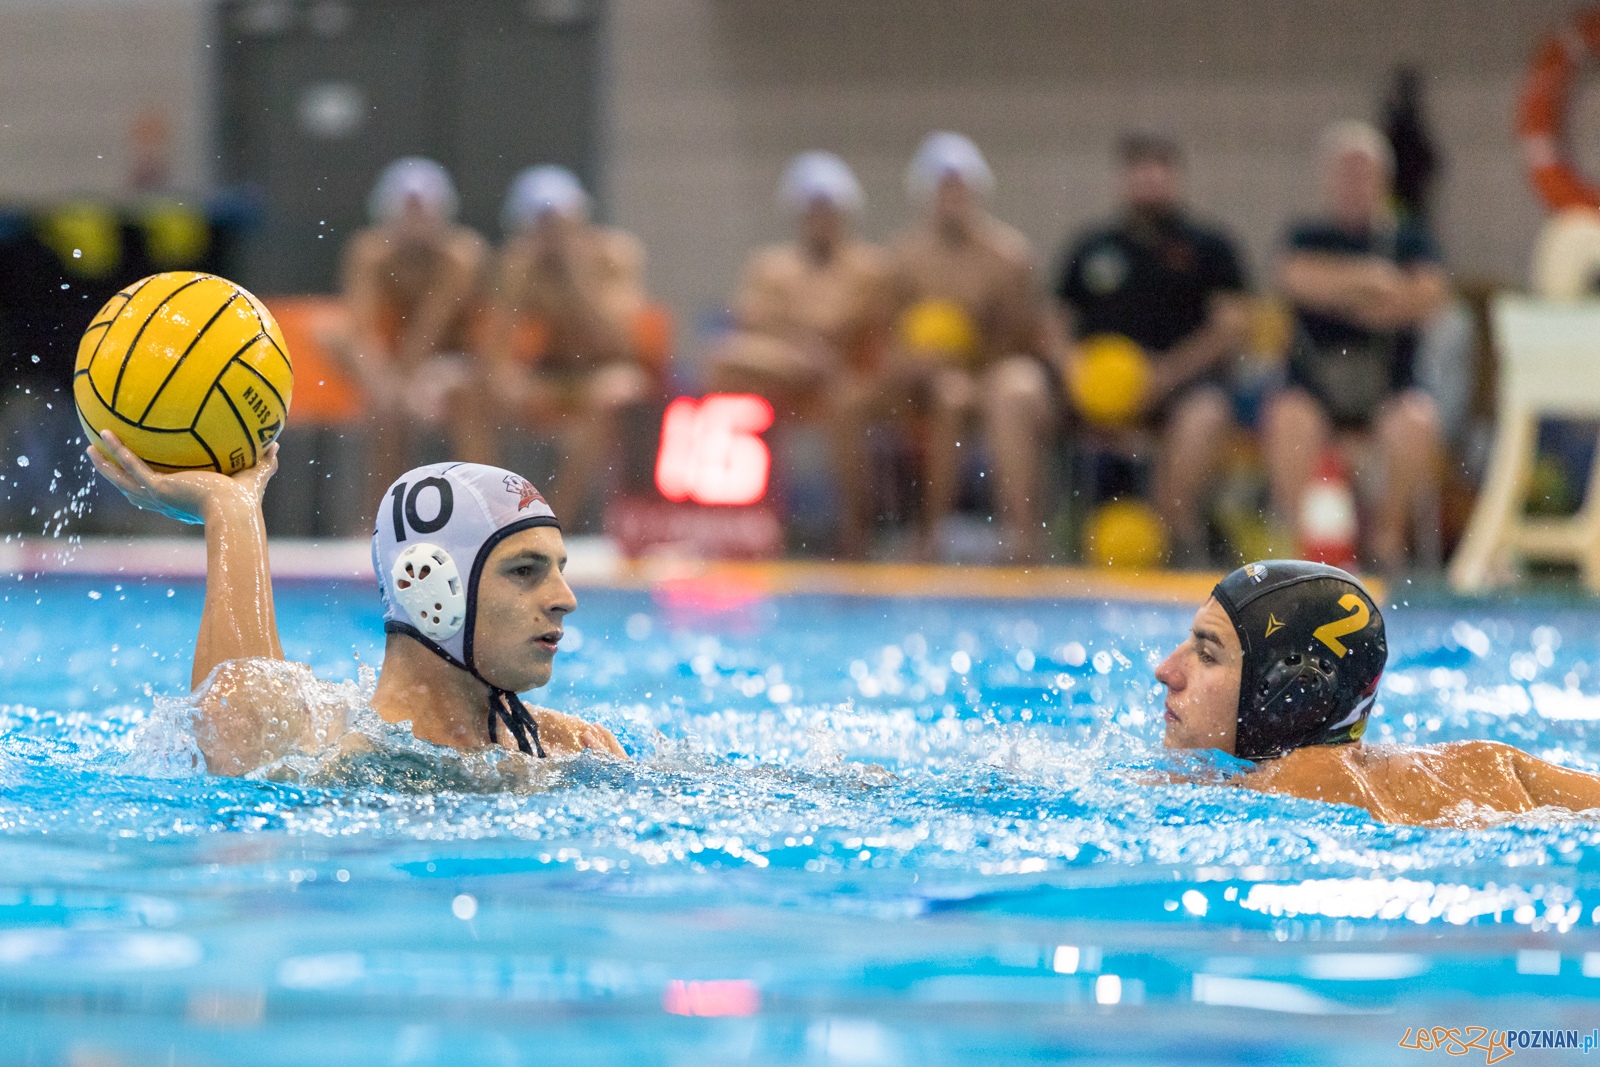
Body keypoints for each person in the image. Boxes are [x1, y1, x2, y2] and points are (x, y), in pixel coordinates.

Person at [85, 430, 623, 778]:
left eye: (560, 569)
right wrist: (230, 506)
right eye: (525, 571)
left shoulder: (576, 748)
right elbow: (235, 717)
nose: (564, 600)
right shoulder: (333, 747)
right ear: (429, 585)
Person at [1156, 558, 1600, 825]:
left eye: (1208, 655)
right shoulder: (1488, 763)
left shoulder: (1299, 785)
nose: (1166, 671)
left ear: (1291, 694)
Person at [1054, 134, 1251, 565]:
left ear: (1175, 179)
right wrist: (1075, 369)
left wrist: (1165, 374)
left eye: (1159, 171)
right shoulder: (1091, 246)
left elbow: (1231, 326)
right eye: (1139, 171)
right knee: (1020, 392)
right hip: (1095, 396)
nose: (1149, 181)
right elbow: (1053, 323)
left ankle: (1168, 538)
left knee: (1206, 415)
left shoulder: (1209, 247)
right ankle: (1024, 542)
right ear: (1123, 181)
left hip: (1181, 390)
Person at [1263, 121, 1449, 573]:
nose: (1353, 184)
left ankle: (1386, 540)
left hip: (1388, 390)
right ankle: (1301, 543)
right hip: (1315, 391)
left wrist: (1340, 292)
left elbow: (1426, 298)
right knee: (1288, 416)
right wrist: (1372, 281)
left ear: (1383, 182)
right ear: (1328, 181)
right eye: (1344, 174)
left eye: (1363, 174)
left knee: (1416, 420)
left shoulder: (1411, 239)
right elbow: (1296, 279)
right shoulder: (1307, 235)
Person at [876, 132, 1056, 562]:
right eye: (943, 188)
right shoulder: (902, 261)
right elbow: (884, 343)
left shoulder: (1008, 256)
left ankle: (1022, 536)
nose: (951, 198)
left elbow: (1032, 337)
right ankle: (930, 532)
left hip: (993, 369)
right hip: (928, 383)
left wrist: (990, 330)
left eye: (959, 188)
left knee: (1018, 388)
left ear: (976, 192)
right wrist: (917, 363)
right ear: (925, 194)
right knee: (950, 393)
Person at [707, 152, 891, 556]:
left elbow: (862, 332)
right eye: (812, 210)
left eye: (828, 210)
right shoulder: (770, 267)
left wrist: (796, 329)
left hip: (846, 385)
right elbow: (749, 329)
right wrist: (805, 347)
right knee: (723, 363)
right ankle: (732, 518)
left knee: (844, 402)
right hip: (785, 380)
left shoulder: (871, 269)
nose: (820, 219)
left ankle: (855, 532)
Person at [484, 165, 658, 526]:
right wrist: (504, 378)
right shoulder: (519, 264)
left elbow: (620, 338)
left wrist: (575, 274)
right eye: (541, 224)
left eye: (557, 223)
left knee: (615, 390)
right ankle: (491, 515)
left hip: (601, 371)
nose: (550, 235)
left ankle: (555, 518)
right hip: (550, 374)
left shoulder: (613, 255)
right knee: (480, 391)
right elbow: (497, 342)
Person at [340, 158, 489, 525]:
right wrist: (385, 380)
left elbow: (431, 327)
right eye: (407, 212)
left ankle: (483, 518)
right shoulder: (371, 253)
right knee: (380, 395)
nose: (415, 222)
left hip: (451, 363)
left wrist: (410, 382)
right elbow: (360, 327)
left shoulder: (461, 254)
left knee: (453, 390)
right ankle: (381, 519)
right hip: (392, 370)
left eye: (423, 212)